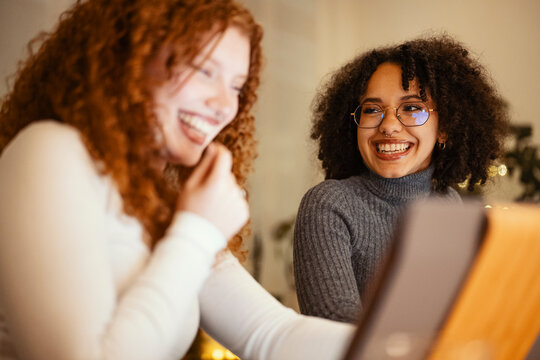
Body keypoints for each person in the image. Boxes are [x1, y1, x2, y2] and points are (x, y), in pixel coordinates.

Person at [0, 0, 355, 359]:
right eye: (204, 71)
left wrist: (397, 345)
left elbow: (271, 333)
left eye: (237, 86)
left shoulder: (165, 198)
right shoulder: (50, 150)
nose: (224, 105)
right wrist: (198, 229)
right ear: (128, 58)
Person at [293, 35, 509, 323]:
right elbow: (338, 330)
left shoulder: (449, 203)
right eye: (372, 109)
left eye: (411, 108)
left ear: (444, 128)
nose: (390, 126)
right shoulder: (329, 205)